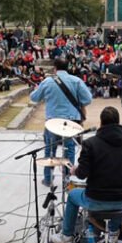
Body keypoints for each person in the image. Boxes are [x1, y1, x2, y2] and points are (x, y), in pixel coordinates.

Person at [50, 106, 122, 243]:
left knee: (72, 195)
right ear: (118, 122)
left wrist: (74, 170)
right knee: (116, 193)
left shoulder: (90, 144)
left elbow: (82, 175)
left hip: (97, 201)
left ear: (101, 123)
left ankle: (66, 238)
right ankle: (114, 232)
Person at [30, 57, 92, 187]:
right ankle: (67, 180)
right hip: (70, 123)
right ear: (68, 67)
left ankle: (48, 179)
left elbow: (34, 98)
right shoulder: (76, 81)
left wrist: (36, 88)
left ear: (55, 68)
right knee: (69, 150)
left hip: (52, 123)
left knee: (50, 152)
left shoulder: (47, 81)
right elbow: (87, 99)